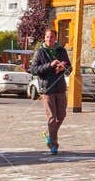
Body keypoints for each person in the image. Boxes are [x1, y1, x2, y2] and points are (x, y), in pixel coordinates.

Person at [28, 27, 70, 156]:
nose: (49, 39)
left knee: (61, 116)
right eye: (47, 37)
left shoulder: (61, 50)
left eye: (52, 37)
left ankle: (48, 133)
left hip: (60, 88)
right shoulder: (40, 52)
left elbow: (69, 68)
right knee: (52, 118)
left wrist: (63, 67)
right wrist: (50, 65)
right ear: (44, 38)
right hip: (47, 89)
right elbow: (33, 69)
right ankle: (53, 145)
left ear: (55, 38)